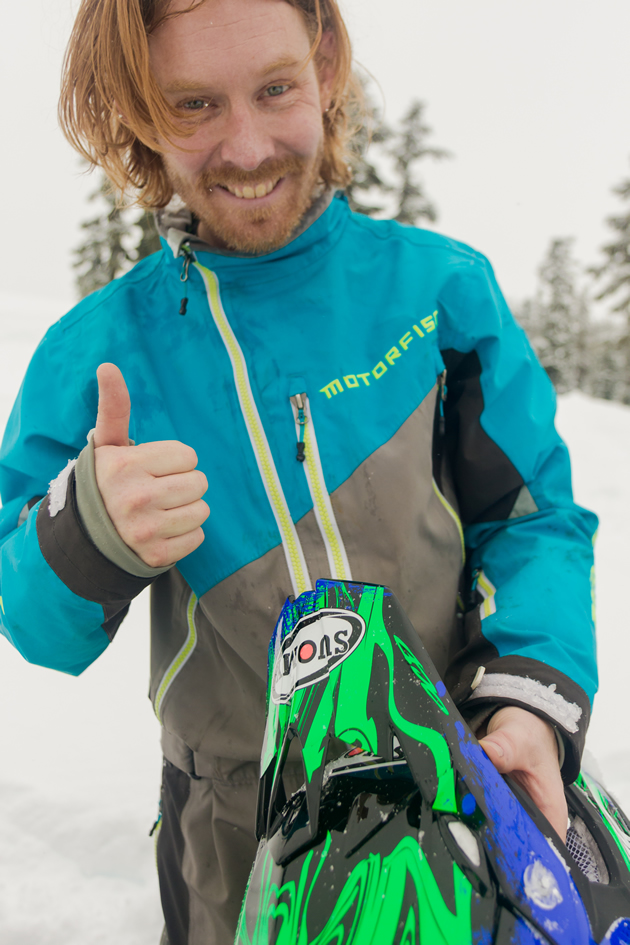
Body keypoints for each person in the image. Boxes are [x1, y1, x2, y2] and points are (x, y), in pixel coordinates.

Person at [0, 0, 598, 942]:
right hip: (229, 851)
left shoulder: (438, 290)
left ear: (324, 66)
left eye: (274, 88)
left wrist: (529, 700)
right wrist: (90, 532)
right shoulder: (97, 354)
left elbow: (532, 521)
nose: (245, 148)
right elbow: (34, 622)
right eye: (193, 104)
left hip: (464, 800)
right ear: (138, 109)